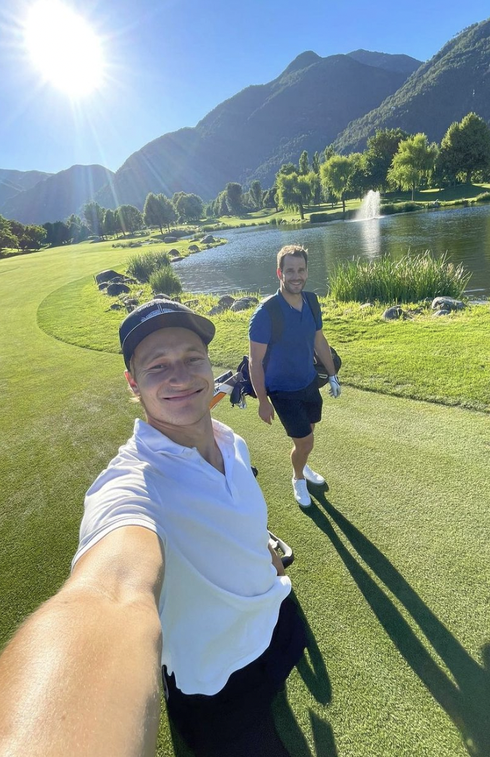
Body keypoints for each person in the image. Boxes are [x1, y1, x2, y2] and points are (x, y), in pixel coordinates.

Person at [0, 299, 307, 757]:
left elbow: (239, 519)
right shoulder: (132, 485)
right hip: (213, 685)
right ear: (133, 384)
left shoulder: (232, 440)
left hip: (277, 623)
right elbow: (111, 593)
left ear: (209, 365)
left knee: (279, 703)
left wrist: (265, 552)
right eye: (157, 366)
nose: (180, 377)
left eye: (191, 359)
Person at [249, 244, 341, 508]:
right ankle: (298, 477)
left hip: (308, 382)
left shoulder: (311, 301)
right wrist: (263, 402)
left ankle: (303, 461)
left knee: (308, 433)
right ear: (280, 272)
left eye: (301, 270)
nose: (296, 275)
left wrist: (332, 376)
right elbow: (255, 362)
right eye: (290, 270)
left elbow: (319, 341)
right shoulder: (266, 313)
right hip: (282, 390)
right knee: (305, 441)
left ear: (306, 271)